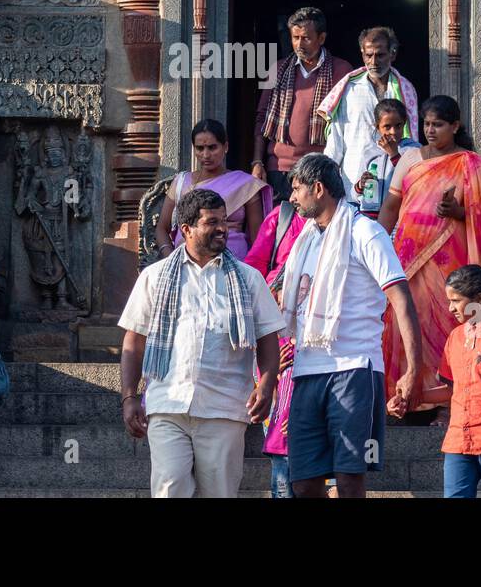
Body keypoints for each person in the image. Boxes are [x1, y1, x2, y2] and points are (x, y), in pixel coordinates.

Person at [119, 188, 285, 498]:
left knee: (219, 493)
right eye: (212, 222)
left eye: (224, 220)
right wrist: (129, 396)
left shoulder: (248, 279)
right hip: (168, 404)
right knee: (170, 489)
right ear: (186, 229)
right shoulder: (155, 277)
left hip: (223, 407)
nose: (223, 228)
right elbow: (134, 339)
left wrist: (265, 385)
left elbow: (267, 335)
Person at [280, 153, 423, 498]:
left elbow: (401, 298)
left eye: (297, 189)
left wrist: (412, 368)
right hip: (306, 371)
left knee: (349, 478)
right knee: (303, 482)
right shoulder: (306, 241)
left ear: (318, 188)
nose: (292, 199)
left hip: (356, 370)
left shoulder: (366, 233)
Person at [377, 96, 481, 420]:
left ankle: (443, 402)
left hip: (450, 261)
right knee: (406, 321)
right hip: (406, 258)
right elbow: (391, 209)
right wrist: (373, 246)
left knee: (446, 324)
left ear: (455, 126)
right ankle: (404, 399)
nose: (430, 130)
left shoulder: (470, 163)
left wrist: (458, 211)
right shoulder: (408, 159)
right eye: (426, 124)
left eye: (438, 124)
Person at [391, 265, 481, 498]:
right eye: (449, 301)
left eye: (455, 301)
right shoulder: (455, 337)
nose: (450, 308)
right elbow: (450, 390)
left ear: (478, 299)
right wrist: (409, 399)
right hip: (458, 441)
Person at [252, 7, 352, 202]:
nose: (299, 44)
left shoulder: (342, 71)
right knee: (282, 228)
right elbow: (261, 117)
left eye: (305, 38)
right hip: (280, 169)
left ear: (321, 38)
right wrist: (257, 162)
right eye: (295, 37)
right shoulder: (277, 69)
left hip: (321, 168)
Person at [243, 199, 307, 498]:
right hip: (276, 320)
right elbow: (255, 264)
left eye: (299, 188)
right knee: (281, 422)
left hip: (317, 333)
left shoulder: (343, 224)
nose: (295, 195)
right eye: (293, 188)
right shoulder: (283, 216)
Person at [318, 27, 420, 204]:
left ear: (392, 54)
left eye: (380, 55)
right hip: (353, 183)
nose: (373, 61)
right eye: (368, 55)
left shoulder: (406, 90)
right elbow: (335, 141)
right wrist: (327, 181)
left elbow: (412, 141)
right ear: (362, 54)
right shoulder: (348, 89)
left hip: (392, 185)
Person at [155, 119, 271, 260]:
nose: (205, 155)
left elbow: (258, 239)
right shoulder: (181, 182)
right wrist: (171, 257)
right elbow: (161, 228)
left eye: (212, 147)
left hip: (233, 263)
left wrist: (249, 273)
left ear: (225, 147)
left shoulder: (245, 184)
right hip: (185, 264)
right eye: (200, 148)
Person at [349, 98, 422, 220]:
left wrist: (393, 154)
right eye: (387, 127)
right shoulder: (370, 151)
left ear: (404, 123)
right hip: (369, 219)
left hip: (399, 218)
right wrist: (360, 185)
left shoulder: (413, 150)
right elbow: (353, 194)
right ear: (377, 127)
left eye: (398, 126)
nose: (393, 132)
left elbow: (414, 182)